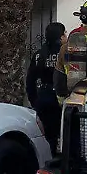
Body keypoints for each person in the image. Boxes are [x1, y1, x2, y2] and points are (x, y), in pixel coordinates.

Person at [26, 22, 65, 158]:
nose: (66, 37)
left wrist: (34, 101)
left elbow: (30, 80)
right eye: (64, 34)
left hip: (43, 97)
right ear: (60, 37)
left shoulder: (39, 54)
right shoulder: (65, 54)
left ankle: (48, 160)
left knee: (47, 135)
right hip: (61, 98)